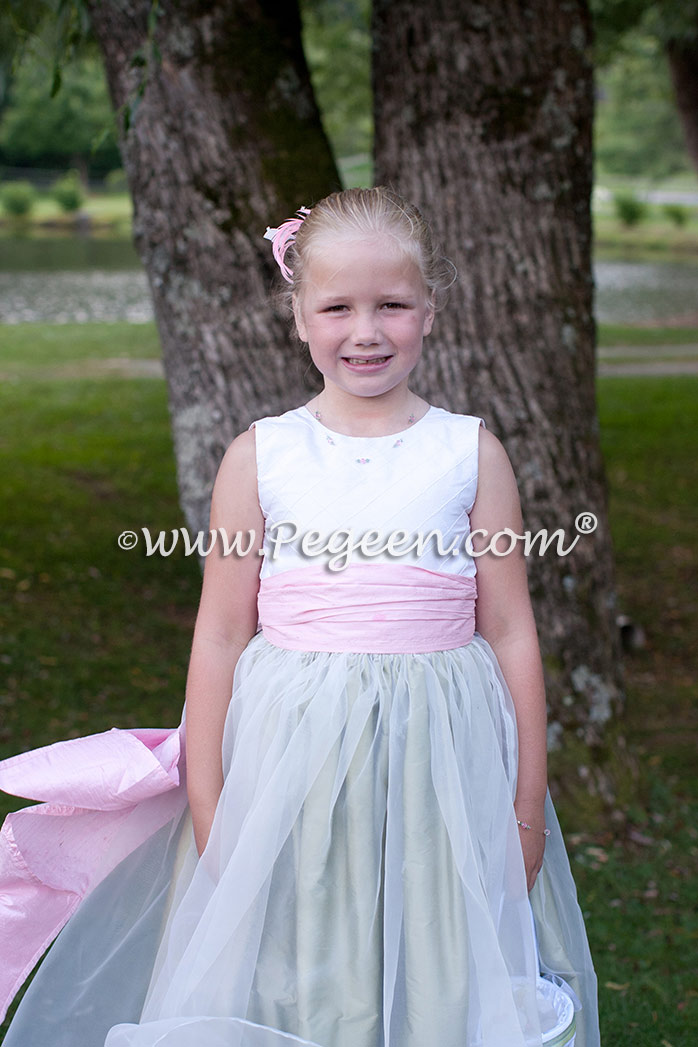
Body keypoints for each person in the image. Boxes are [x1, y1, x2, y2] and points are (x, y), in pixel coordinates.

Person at [0, 187, 598, 1047]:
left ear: (428, 310)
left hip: (441, 754)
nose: (366, 330)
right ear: (298, 317)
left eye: (392, 304)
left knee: (433, 941)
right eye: (338, 307)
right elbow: (220, 634)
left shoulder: (469, 452)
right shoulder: (262, 456)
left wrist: (525, 803)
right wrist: (209, 798)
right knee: (303, 935)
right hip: (296, 755)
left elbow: (510, 629)